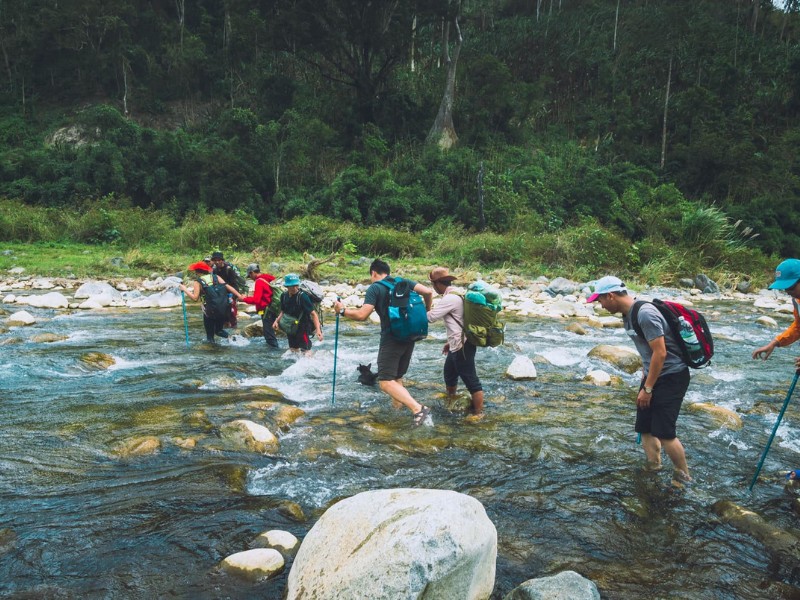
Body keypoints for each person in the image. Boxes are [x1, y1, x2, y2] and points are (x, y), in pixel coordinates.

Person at [587, 275, 691, 484]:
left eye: (600, 300)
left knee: (664, 432)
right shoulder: (628, 315)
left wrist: (649, 388)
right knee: (644, 426)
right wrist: (645, 383)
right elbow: (648, 353)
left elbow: (660, 353)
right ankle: (654, 466)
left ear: (611, 295)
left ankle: (684, 477)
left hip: (671, 376)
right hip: (652, 376)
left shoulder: (645, 314)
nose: (600, 305)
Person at [333, 259, 434, 427]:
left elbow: (362, 315)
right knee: (397, 377)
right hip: (410, 335)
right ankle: (397, 412)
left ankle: (418, 409)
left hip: (391, 338)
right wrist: (428, 311)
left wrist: (342, 310)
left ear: (374, 273)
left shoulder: (375, 288)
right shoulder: (403, 282)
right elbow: (428, 292)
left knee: (385, 381)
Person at [426, 266, 484, 419]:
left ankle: (478, 414)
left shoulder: (449, 298)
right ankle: (451, 400)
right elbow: (460, 320)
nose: (433, 287)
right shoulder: (458, 293)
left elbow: (431, 317)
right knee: (449, 374)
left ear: (438, 283)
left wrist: (413, 310)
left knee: (471, 380)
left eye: (433, 284)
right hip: (457, 343)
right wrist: (448, 342)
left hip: (462, 345)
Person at [179, 261, 243, 343]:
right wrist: (240, 296)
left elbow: (195, 298)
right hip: (222, 308)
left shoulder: (198, 282)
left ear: (198, 272)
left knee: (210, 336)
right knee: (218, 331)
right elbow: (228, 287)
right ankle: (234, 339)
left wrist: (184, 289)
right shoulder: (216, 277)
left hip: (209, 311)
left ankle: (212, 352)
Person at [752, 259, 800, 366]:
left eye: (791, 287)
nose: (789, 293)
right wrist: (775, 342)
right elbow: (798, 327)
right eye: (785, 289)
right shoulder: (797, 301)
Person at [273, 273, 323, 354]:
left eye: (296, 285)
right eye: (292, 286)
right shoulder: (284, 296)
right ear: (287, 286)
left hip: (303, 326)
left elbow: (313, 314)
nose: (295, 288)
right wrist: (276, 321)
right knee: (293, 348)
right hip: (291, 326)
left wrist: (318, 330)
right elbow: (283, 311)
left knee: (306, 350)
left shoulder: (302, 297)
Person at [240, 263, 280, 349]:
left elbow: (256, 300)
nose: (250, 278)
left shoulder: (259, 282)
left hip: (267, 310)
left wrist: (244, 299)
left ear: (252, 273)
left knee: (268, 333)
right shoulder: (268, 277)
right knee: (272, 331)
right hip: (274, 307)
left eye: (250, 275)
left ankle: (273, 353)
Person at [210, 251, 245, 328]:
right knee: (222, 313)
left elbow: (234, 284)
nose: (217, 262)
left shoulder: (228, 270)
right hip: (221, 294)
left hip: (231, 293)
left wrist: (234, 296)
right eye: (215, 260)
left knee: (231, 312)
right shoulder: (215, 271)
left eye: (219, 260)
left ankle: (234, 327)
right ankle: (225, 326)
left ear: (222, 260)